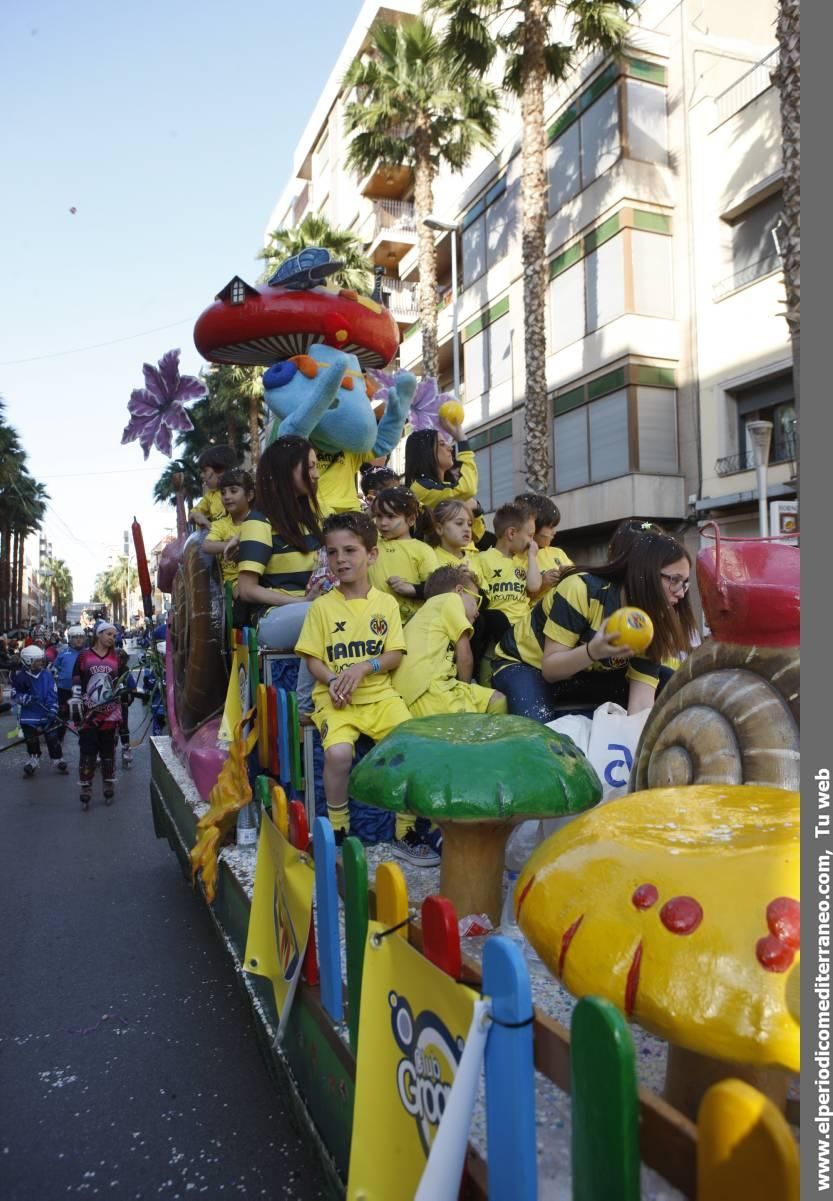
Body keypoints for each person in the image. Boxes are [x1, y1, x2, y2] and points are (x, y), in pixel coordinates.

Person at [295, 511, 413, 850]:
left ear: (371, 554)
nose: (340, 559)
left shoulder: (386, 604)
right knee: (339, 754)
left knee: (407, 743)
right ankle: (338, 825)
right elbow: (313, 659)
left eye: (350, 551)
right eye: (332, 553)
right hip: (336, 701)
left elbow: (394, 654)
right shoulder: (321, 608)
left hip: (379, 697)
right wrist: (334, 679)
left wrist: (363, 667)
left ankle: (406, 827)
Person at [492, 530, 697, 722]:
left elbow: (641, 702)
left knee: (668, 681)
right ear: (644, 573)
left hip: (583, 674)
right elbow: (551, 670)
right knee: (539, 732)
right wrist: (593, 651)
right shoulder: (581, 589)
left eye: (685, 583)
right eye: (674, 580)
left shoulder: (650, 622)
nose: (681, 592)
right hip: (526, 665)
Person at [236, 437, 325, 713]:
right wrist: (300, 602)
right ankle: (303, 706)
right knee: (322, 614)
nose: (316, 474)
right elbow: (247, 589)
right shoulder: (258, 521)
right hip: (272, 618)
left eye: (315, 466)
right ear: (288, 470)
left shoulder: (316, 518)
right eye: (308, 467)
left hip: (316, 608)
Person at [393, 565, 507, 718]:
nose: (478, 611)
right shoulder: (450, 600)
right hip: (426, 690)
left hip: (422, 690)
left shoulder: (429, 612)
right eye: (476, 600)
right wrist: (466, 689)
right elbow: (464, 656)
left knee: (497, 700)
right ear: (459, 591)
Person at [73, 620, 125, 809]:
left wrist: (125, 693)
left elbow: (122, 680)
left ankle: (108, 784)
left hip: (110, 715)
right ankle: (86, 788)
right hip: (89, 715)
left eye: (114, 635)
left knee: (108, 752)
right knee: (87, 752)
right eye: (108, 634)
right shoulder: (84, 657)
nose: (112, 638)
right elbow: (77, 680)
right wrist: (76, 702)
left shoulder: (116, 658)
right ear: (98, 635)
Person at [475, 501, 542, 644]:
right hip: (498, 632)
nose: (532, 542)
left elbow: (534, 586)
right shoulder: (482, 559)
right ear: (511, 533)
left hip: (525, 629)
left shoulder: (526, 560)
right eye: (530, 535)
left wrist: (531, 557)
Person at [368, 487, 438, 624]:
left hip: (411, 623)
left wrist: (411, 589)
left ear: (411, 520)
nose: (383, 523)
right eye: (379, 516)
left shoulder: (422, 550)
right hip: (375, 622)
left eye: (391, 516)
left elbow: (436, 588)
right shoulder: (371, 543)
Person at [12, 644, 67, 776]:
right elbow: (15, 694)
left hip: (46, 712)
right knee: (31, 738)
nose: (40, 664)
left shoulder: (46, 675)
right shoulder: (20, 677)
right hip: (29, 715)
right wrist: (27, 698)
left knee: (52, 736)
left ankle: (57, 759)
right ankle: (33, 758)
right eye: (36, 661)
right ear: (27, 661)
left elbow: (52, 694)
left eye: (41, 661)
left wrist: (53, 710)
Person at [404, 414, 478, 511]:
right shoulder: (421, 489)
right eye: (442, 444)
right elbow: (467, 489)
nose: (450, 448)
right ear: (426, 452)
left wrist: (477, 512)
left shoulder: (443, 487)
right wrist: (462, 441)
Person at [202, 467, 256, 595]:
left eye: (233, 491)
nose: (227, 497)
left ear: (249, 495)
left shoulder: (260, 521)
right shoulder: (220, 524)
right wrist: (231, 545)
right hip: (235, 583)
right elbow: (207, 545)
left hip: (261, 576)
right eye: (223, 492)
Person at [515, 493, 573, 598]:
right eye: (550, 527)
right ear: (533, 526)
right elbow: (515, 600)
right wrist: (542, 584)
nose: (554, 532)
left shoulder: (558, 553)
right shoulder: (516, 559)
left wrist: (570, 574)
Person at [188, 445, 238, 531]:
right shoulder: (210, 496)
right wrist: (197, 515)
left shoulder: (241, 492)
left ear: (220, 469)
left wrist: (208, 524)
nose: (202, 475)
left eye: (205, 471)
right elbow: (192, 514)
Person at [54, 625, 88, 744]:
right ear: (70, 639)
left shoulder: (88, 653)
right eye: (75, 637)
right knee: (62, 717)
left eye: (81, 637)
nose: (79, 639)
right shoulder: (63, 654)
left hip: (83, 691)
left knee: (84, 716)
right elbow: (55, 669)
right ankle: (59, 740)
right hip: (64, 690)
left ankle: (86, 741)